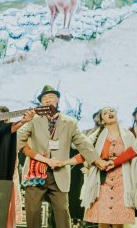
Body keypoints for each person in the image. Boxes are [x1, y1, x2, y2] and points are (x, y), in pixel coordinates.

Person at [17, 85, 106, 228]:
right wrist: (25, 121)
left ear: (58, 100)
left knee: (62, 212)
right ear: (40, 103)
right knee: (32, 212)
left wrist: (96, 159)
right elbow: (17, 140)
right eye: (44, 98)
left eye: (51, 97)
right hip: (36, 172)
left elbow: (83, 143)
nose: (47, 100)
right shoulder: (34, 121)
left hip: (59, 173)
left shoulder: (70, 122)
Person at [75, 107, 137, 228]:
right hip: (103, 180)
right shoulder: (96, 135)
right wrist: (64, 162)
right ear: (102, 120)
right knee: (103, 219)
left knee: (118, 221)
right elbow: (86, 153)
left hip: (122, 180)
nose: (110, 113)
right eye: (105, 113)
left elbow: (136, 153)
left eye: (112, 111)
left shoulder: (128, 135)